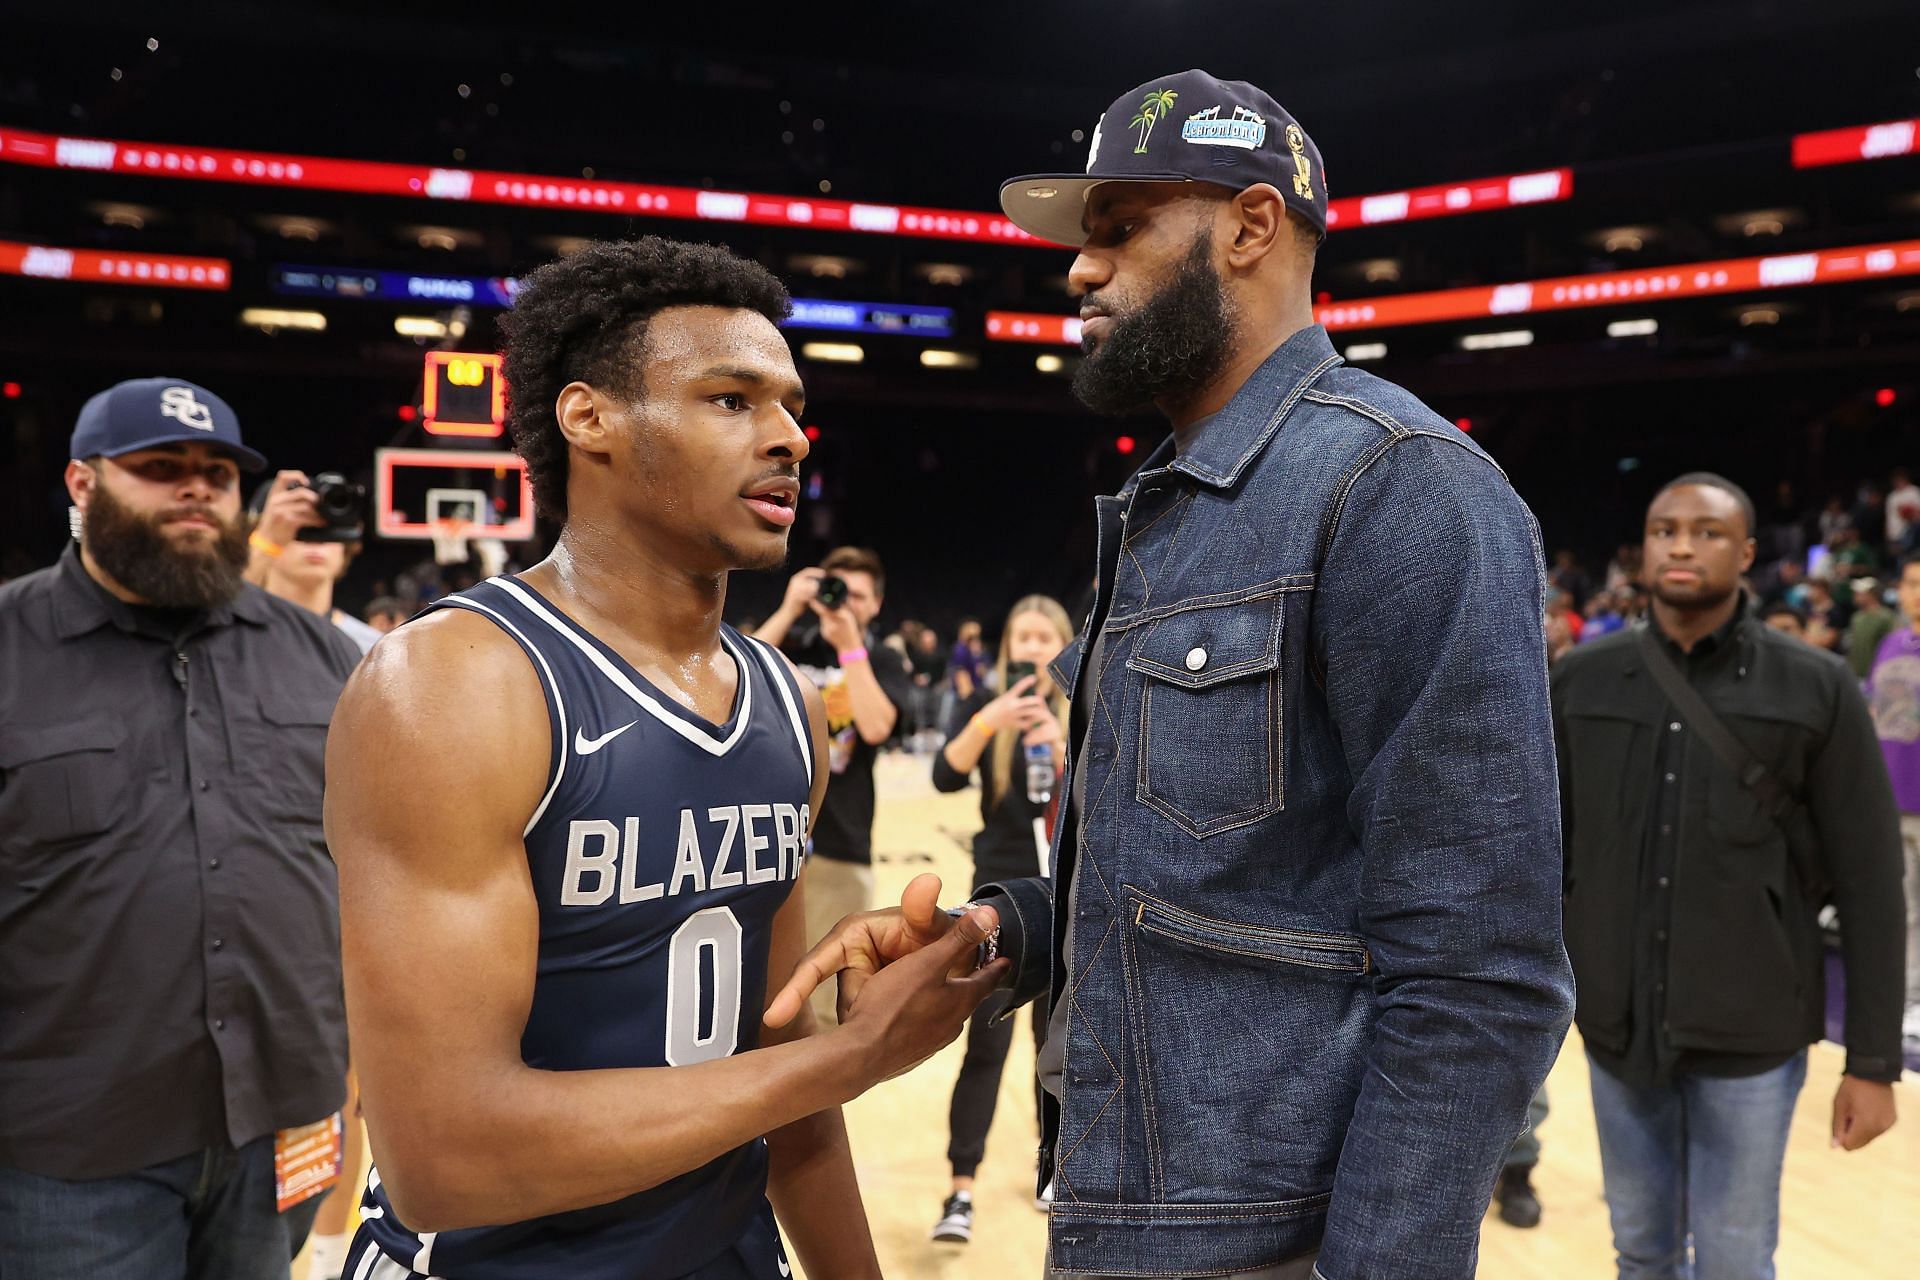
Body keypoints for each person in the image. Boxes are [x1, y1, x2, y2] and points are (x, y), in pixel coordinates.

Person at [772, 70, 1573, 1279]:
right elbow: (1210, 881)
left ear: (1252, 226)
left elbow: (1480, 973)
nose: (1081, 270)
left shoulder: (1402, 487)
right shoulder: (1168, 508)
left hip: (1270, 1243)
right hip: (1121, 1207)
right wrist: (1003, 928)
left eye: (1120, 228)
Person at [325, 238, 1004, 1280]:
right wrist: (849, 1055)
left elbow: (783, 1077)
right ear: (589, 417)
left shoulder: (782, 699)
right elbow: (441, 1154)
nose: (787, 436)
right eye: (732, 399)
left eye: (789, 404)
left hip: (726, 1251)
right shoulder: (457, 683)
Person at [0, 377, 360, 1279]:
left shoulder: (319, 653)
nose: (197, 488)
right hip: (69, 1146)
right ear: (84, 486)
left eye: (217, 472)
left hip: (282, 1117)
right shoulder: (8, 646)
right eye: (161, 469)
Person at [1554, 472, 1904, 1280]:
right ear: (1641, 549)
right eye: (1664, 528)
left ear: (1747, 553)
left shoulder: (1814, 686)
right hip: (1618, 1031)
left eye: (1706, 532)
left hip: (1753, 1035)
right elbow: (1550, 855)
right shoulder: (1582, 681)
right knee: (1639, 1253)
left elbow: (1872, 886)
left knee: (1736, 1261)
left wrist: (1873, 1064)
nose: (1681, 543)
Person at [929, 596, 1074, 1246]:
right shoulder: (987, 714)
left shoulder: (1082, 712)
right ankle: (960, 1189)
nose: (1034, 646)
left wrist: (1064, 748)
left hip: (1065, 900)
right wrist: (992, 719)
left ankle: (1054, 1170)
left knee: (1059, 1046)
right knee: (984, 1047)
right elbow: (943, 774)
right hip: (996, 904)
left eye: (1047, 636)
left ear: (1066, 644)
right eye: (1024, 635)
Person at [753, 547, 916, 1024]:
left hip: (841, 845)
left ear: (877, 605)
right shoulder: (796, 646)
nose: (845, 604)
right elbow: (733, 682)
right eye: (836, 590)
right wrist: (788, 609)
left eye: (858, 597)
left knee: (822, 1007)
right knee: (762, 993)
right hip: (774, 838)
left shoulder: (882, 659)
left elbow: (876, 727)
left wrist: (850, 646)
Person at [1866, 552, 1920, 1055]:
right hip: (1891, 796)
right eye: (1910, 582)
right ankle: (1909, 1000)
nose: (1916, 592)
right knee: (1902, 908)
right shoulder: (1889, 643)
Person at [247, 475, 383, 654]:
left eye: (330, 529)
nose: (316, 541)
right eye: (301, 529)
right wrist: (265, 546)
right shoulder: (231, 636)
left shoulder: (374, 649)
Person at [1848, 576, 1896, 682]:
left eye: (1860, 593)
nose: (1856, 596)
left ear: (1872, 594)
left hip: (1877, 676)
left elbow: (1891, 646)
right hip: (1857, 675)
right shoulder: (1857, 617)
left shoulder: (1886, 617)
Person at [1887, 467, 1920, 552]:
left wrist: (1907, 511)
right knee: (1897, 560)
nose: (1897, 481)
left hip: (1908, 532)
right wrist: (1887, 534)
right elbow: (1889, 517)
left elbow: (1917, 512)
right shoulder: (1892, 496)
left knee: (1908, 559)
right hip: (1894, 534)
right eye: (1895, 479)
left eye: (1899, 479)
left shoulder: (1913, 491)